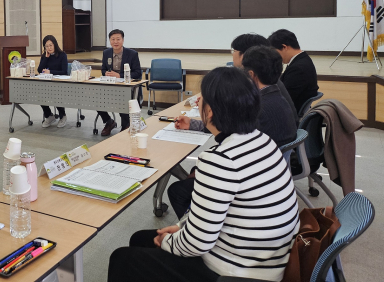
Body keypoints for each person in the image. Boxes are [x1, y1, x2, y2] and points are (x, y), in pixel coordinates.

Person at [109, 67, 299, 282]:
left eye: (202, 98)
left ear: (210, 112)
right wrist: (180, 227)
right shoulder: (262, 140)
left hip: (236, 272)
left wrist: (167, 241)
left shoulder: (221, 160)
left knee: (123, 258)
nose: (197, 101)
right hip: (270, 260)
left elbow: (197, 244)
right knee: (141, 239)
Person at [168, 47, 298, 218]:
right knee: (196, 170)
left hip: (249, 185)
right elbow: (231, 126)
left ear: (251, 75)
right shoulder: (274, 96)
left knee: (179, 189)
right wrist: (194, 123)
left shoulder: (260, 108)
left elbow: (230, 138)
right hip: (268, 184)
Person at [230, 32, 297, 119]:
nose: (232, 54)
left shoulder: (261, 85)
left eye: (234, 51)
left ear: (244, 55)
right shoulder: (269, 78)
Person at [97, 29, 142, 136]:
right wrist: (106, 73)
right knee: (96, 99)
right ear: (109, 41)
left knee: (123, 99)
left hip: (127, 88)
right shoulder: (106, 53)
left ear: (123, 40)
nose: (115, 42)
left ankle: (125, 126)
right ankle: (109, 122)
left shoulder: (132, 54)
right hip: (110, 86)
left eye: (118, 39)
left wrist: (120, 76)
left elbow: (137, 73)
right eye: (113, 39)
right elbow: (103, 69)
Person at [268, 29, 319, 114]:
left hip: (291, 113)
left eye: (275, 52)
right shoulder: (303, 59)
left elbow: (284, 98)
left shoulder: (298, 68)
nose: (274, 56)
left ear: (284, 47)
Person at [38, 35, 69, 128]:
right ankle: (49, 116)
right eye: (46, 46)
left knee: (55, 93)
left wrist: (50, 72)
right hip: (47, 83)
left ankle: (62, 116)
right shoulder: (45, 56)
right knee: (39, 94)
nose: (49, 48)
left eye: (50, 45)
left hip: (60, 83)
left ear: (55, 44)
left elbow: (64, 72)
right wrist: (46, 58)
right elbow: (39, 70)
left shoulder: (62, 55)